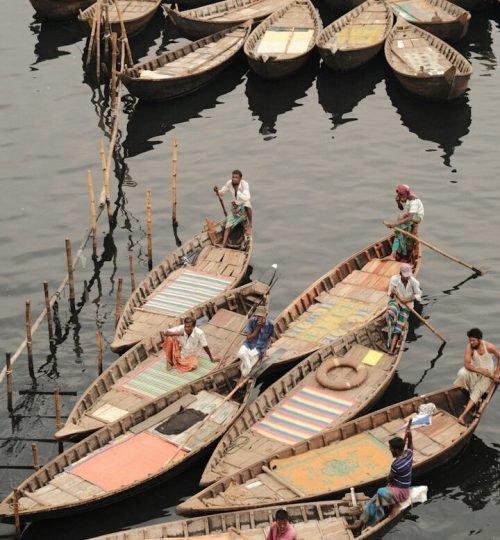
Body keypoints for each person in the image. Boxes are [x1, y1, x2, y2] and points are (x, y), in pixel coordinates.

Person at [349, 419, 413, 532]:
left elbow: (390, 479)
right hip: (397, 488)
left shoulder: (396, 464)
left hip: (401, 491)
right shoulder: (409, 455)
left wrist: (388, 477)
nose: (390, 450)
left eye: (391, 449)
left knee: (380, 492)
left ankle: (391, 508)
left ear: (397, 450)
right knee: (375, 499)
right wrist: (410, 435)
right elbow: (410, 446)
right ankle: (362, 521)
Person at [454, 328, 500, 425]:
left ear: (479, 339)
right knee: (462, 373)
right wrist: (480, 370)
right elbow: (467, 365)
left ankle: (462, 416)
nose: (471, 343)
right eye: (470, 340)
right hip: (476, 370)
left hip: (488, 374)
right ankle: (466, 389)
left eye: (473, 340)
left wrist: (496, 373)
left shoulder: (489, 347)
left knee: (478, 391)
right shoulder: (469, 347)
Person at [386, 263, 422, 353]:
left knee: (398, 329)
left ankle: (391, 349)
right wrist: (393, 292)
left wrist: (407, 299)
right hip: (395, 302)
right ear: (400, 274)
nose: (407, 278)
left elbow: (418, 295)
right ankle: (392, 319)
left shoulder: (414, 282)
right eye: (405, 276)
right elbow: (390, 294)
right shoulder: (394, 279)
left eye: (408, 276)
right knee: (391, 313)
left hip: (407, 307)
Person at [383, 184, 424, 261]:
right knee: (400, 217)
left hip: (417, 217)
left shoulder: (414, 201)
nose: (399, 195)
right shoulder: (406, 197)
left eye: (401, 194)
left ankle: (397, 255)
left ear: (406, 193)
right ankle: (397, 253)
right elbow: (401, 208)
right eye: (398, 194)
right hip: (411, 214)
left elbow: (410, 218)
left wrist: (395, 224)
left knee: (399, 231)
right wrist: (398, 202)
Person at [237, 305, 274, 380]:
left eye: (260, 316)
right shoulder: (252, 321)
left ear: (265, 315)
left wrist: (265, 352)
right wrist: (257, 328)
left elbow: (270, 338)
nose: (258, 318)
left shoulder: (271, 325)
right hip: (248, 345)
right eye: (257, 316)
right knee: (240, 354)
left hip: (258, 350)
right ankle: (245, 363)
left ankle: (242, 366)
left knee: (246, 371)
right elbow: (249, 339)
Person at [214, 169, 253, 235]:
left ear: (240, 178)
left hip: (243, 207)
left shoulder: (244, 184)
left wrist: (238, 194)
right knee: (227, 224)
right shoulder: (229, 183)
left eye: (236, 177)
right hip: (235, 207)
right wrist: (218, 191)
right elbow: (222, 191)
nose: (234, 179)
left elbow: (247, 198)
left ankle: (250, 226)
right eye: (233, 177)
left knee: (247, 204)